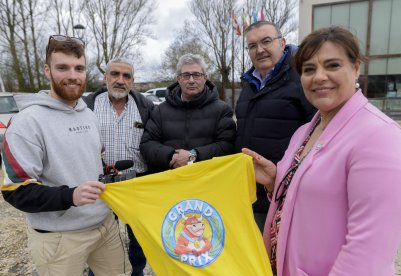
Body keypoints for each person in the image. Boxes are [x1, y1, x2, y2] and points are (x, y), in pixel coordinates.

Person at [242, 26, 401, 275]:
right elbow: (313, 199)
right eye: (309, 69)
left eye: (332, 65)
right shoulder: (305, 132)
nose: (319, 77)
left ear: (355, 68)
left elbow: (366, 257)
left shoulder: (380, 137)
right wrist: (275, 182)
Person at [1, 35, 131, 275]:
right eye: (63, 67)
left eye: (79, 68)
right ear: (47, 70)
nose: (73, 75)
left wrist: (107, 172)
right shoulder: (27, 122)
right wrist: (71, 195)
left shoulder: (88, 115)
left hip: (104, 227)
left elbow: (93, 161)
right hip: (58, 238)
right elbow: (14, 190)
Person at [235, 21, 316, 232]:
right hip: (250, 193)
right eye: (252, 46)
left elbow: (319, 135)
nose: (259, 50)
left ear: (282, 42)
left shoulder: (302, 80)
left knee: (281, 258)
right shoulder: (248, 85)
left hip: (286, 193)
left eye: (266, 41)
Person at [84, 58, 153, 276]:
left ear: (133, 81)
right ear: (105, 77)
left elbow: (156, 141)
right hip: (102, 185)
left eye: (127, 76)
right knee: (101, 237)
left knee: (139, 237)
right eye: (115, 74)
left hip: (137, 183)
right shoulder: (87, 107)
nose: (120, 80)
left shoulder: (146, 107)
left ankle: (138, 271)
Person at [140, 53, 236, 171]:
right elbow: (147, 144)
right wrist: (171, 156)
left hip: (207, 182)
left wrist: (194, 156)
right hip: (171, 182)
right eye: (186, 75)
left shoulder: (222, 110)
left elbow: (227, 146)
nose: (191, 80)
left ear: (205, 78)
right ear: (178, 79)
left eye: (196, 75)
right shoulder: (160, 110)